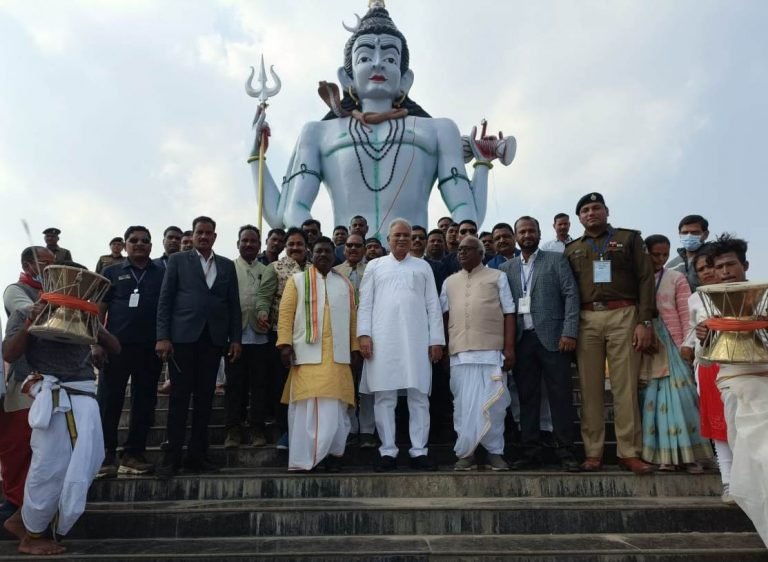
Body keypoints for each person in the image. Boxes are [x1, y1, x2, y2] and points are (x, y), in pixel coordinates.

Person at [248, 4, 514, 238]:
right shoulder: (318, 133)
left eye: (389, 58)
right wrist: (255, 158)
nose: (378, 64)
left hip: (411, 260)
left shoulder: (438, 130)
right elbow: (284, 214)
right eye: (364, 58)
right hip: (346, 261)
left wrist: (481, 165)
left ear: (406, 78)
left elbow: (467, 212)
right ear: (346, 77)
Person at [3, 263, 120, 556]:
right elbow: (9, 354)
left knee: (86, 462)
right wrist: (32, 323)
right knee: (49, 467)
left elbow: (116, 348)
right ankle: (31, 535)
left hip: (84, 394)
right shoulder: (25, 312)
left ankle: (25, 521)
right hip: (52, 396)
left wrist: (94, 321)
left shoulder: (84, 312)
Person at [564, 192, 656, 474]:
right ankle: (593, 454)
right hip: (587, 318)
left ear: (606, 211)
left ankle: (629, 452)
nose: (591, 213)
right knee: (590, 389)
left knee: (625, 387)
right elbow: (568, 291)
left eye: (596, 208)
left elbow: (645, 279)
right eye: (585, 210)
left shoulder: (629, 239)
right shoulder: (571, 249)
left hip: (624, 314)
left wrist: (644, 322)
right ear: (579, 218)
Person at [155, 216, 242, 478]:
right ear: (192, 236)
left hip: (213, 341)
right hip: (182, 339)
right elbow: (165, 300)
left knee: (205, 401)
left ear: (215, 236)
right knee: (179, 400)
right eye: (199, 233)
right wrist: (163, 336)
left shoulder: (226, 266)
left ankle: (198, 456)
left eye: (209, 233)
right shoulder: (178, 261)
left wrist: (235, 339)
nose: (204, 237)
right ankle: (172, 458)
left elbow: (233, 305)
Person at [358, 219, 444, 471]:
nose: (403, 239)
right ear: (388, 239)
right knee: (384, 396)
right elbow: (365, 304)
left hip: (417, 341)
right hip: (383, 341)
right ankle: (388, 451)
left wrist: (436, 340)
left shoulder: (423, 266)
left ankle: (419, 451)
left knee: (419, 396)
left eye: (407, 235)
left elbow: (433, 305)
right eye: (398, 235)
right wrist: (364, 335)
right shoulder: (375, 266)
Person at [702, 235, 768, 545]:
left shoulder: (765, 297)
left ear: (745, 265)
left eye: (731, 264)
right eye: (719, 267)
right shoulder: (705, 303)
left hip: (765, 384)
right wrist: (704, 336)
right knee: (749, 465)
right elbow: (704, 357)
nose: (725, 271)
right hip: (733, 386)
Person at [501, 216, 581, 472]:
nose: (527, 235)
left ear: (538, 233)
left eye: (531, 230)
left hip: (554, 338)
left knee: (560, 396)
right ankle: (530, 450)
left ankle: (566, 450)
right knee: (527, 397)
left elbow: (571, 294)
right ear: (515, 237)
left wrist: (569, 332)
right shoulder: (507, 269)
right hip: (522, 341)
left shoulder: (556, 260)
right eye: (522, 232)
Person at [277, 237, 359, 471]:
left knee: (336, 409)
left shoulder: (345, 284)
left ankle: (333, 454)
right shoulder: (297, 281)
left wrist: (354, 348)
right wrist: (284, 344)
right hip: (306, 355)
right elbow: (285, 315)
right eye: (319, 251)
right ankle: (309, 458)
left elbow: (353, 320)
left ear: (334, 256)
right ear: (311, 255)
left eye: (328, 251)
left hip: (338, 357)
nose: (323, 255)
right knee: (308, 409)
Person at [441, 235, 514, 471]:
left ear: (481, 254)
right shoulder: (449, 282)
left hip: (491, 352)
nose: (461, 253)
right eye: (459, 250)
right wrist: (444, 350)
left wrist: (509, 348)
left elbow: (509, 313)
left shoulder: (497, 277)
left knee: (494, 405)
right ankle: (467, 452)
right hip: (459, 354)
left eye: (468, 249)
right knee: (463, 405)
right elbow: (443, 317)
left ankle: (495, 452)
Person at [639, 234, 712, 472]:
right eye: (655, 254)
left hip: (672, 341)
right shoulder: (637, 279)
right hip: (645, 343)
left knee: (683, 396)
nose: (660, 259)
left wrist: (686, 344)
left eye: (664, 254)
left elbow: (685, 312)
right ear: (645, 252)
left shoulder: (676, 278)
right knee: (651, 398)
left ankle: (690, 455)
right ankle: (664, 457)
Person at [97, 226, 166, 477]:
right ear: (125, 245)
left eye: (145, 241)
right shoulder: (111, 272)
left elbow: (166, 308)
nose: (139, 244)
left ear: (151, 246)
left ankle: (133, 453)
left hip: (150, 347)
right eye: (133, 240)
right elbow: (99, 309)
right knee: (109, 401)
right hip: (115, 347)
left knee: (145, 402)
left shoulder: (162, 272)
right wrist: (96, 343)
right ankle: (105, 455)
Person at [0, 247, 55, 531]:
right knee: (17, 446)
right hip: (22, 381)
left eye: (53, 265)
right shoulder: (16, 289)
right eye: (44, 264)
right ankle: (13, 504)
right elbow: (26, 310)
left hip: (52, 379)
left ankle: (30, 508)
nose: (49, 270)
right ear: (27, 265)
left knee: (41, 449)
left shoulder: (56, 293)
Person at [681, 244, 734, 501]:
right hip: (708, 364)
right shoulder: (695, 298)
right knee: (718, 425)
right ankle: (728, 482)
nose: (708, 272)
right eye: (701, 269)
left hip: (744, 367)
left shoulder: (745, 293)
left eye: (711, 266)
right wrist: (687, 345)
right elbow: (692, 329)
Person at [256, 227, 311, 449]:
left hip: (308, 337)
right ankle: (284, 431)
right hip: (281, 335)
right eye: (291, 244)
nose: (295, 248)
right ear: (285, 247)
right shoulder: (275, 268)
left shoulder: (314, 269)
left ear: (307, 247)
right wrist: (261, 312)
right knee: (281, 384)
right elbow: (264, 296)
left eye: (299, 244)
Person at [225, 225, 271, 448]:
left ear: (259, 245)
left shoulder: (267, 269)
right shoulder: (228, 268)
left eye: (254, 241)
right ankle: (233, 429)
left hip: (261, 337)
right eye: (245, 241)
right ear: (238, 244)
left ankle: (257, 429)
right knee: (235, 385)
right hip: (235, 336)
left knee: (260, 386)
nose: (249, 244)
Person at [334, 233, 376, 446]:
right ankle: (350, 428)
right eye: (349, 245)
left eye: (357, 245)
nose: (352, 249)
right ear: (343, 249)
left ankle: (368, 430)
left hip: (370, 335)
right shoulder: (335, 273)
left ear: (364, 248)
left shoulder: (374, 270)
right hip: (342, 335)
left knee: (368, 385)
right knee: (347, 384)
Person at [666, 214, 709, 290]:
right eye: (685, 233)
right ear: (679, 234)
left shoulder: (715, 259)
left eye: (695, 233)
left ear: (705, 234)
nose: (689, 236)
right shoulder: (671, 266)